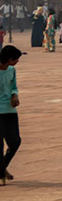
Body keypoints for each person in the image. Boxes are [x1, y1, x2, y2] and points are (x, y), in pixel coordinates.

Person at [0, 45, 20, 185]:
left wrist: (15, 95)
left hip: (10, 110)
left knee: (15, 141)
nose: (17, 61)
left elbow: (14, 86)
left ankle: (1, 168)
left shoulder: (12, 70)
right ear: (9, 59)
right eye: (16, 59)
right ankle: (1, 172)